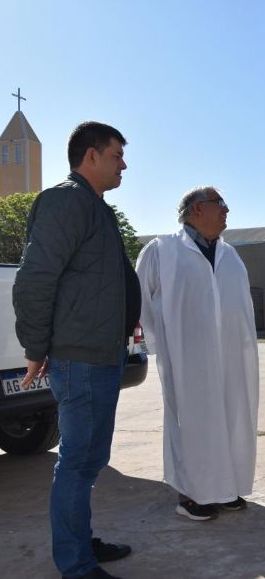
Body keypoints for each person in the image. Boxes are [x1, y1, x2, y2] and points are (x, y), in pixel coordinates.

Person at [13, 121, 138, 579]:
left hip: (100, 355)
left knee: (88, 461)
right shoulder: (65, 201)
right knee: (78, 462)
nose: (123, 163)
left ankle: (80, 543)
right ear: (90, 156)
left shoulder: (95, 208)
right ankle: (76, 564)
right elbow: (34, 278)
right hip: (80, 357)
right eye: (116, 155)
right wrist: (35, 346)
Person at [136, 186, 259, 521]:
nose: (226, 210)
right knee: (193, 424)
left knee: (232, 418)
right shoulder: (162, 250)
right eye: (220, 204)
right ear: (195, 209)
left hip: (230, 356)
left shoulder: (229, 254)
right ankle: (191, 495)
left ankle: (225, 487)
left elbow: (242, 307)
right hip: (186, 357)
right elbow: (142, 302)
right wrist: (162, 345)